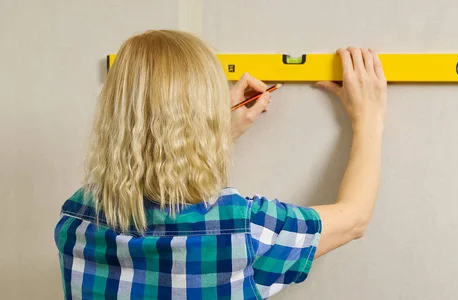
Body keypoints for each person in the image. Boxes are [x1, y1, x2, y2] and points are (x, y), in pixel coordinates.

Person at [54, 30, 387, 299]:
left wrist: (213, 132)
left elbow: (153, 192)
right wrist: (369, 118)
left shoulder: (76, 221)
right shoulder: (242, 229)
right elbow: (354, 218)